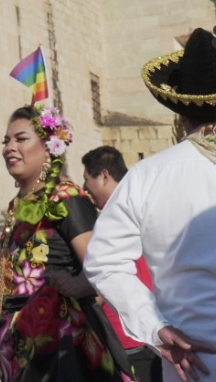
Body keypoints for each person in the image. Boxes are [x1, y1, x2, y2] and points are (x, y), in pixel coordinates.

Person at [85, 31, 216, 382]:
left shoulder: (147, 176)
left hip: (192, 362)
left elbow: (104, 261)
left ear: (180, 115)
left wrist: (154, 326)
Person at [0, 104, 130, 382]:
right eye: (6, 141)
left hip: (61, 342)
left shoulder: (65, 197)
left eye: (21, 139)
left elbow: (100, 269)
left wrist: (73, 290)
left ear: (48, 148)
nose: (10, 147)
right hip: (20, 341)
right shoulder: (16, 206)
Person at [80, 146, 154, 376]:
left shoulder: (112, 216)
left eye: (87, 179)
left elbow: (100, 280)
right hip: (152, 328)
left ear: (104, 176)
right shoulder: (144, 203)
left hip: (127, 336)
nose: (85, 187)